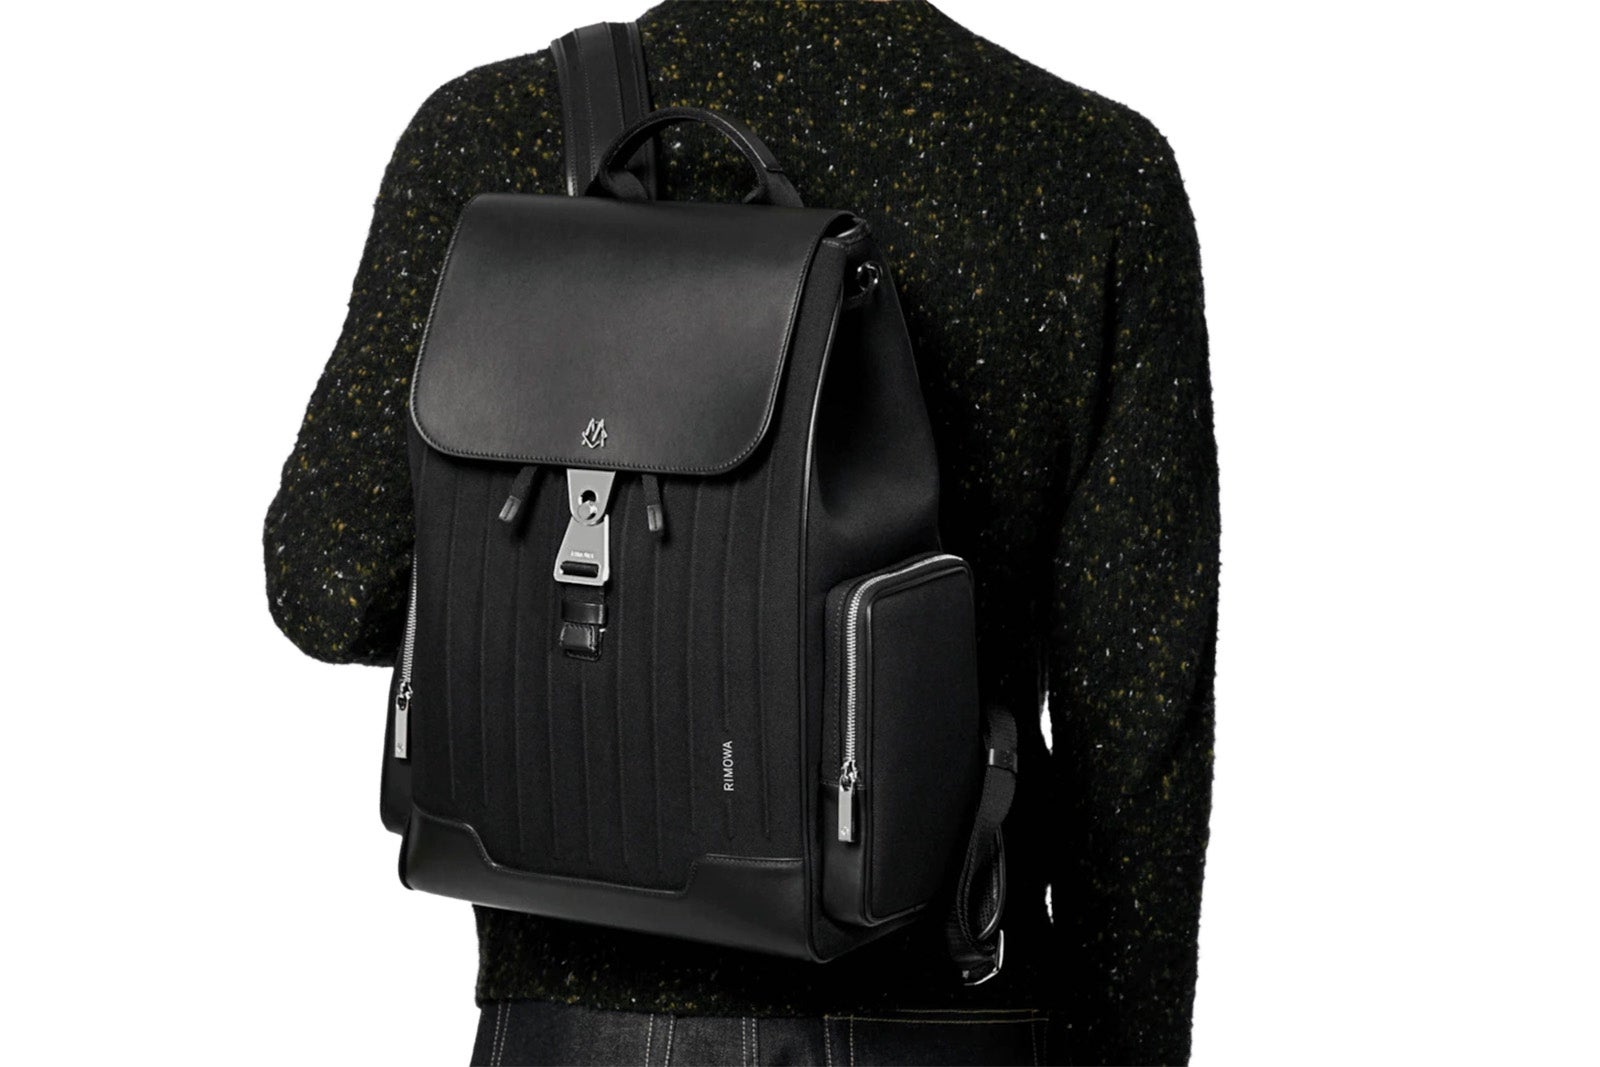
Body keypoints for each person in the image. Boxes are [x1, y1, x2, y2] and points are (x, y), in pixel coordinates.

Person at [262, 1, 1220, 1063]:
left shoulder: (495, 131)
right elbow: (1139, 751)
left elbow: (328, 585)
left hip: (578, 1021)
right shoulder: (1092, 168)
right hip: (961, 1011)